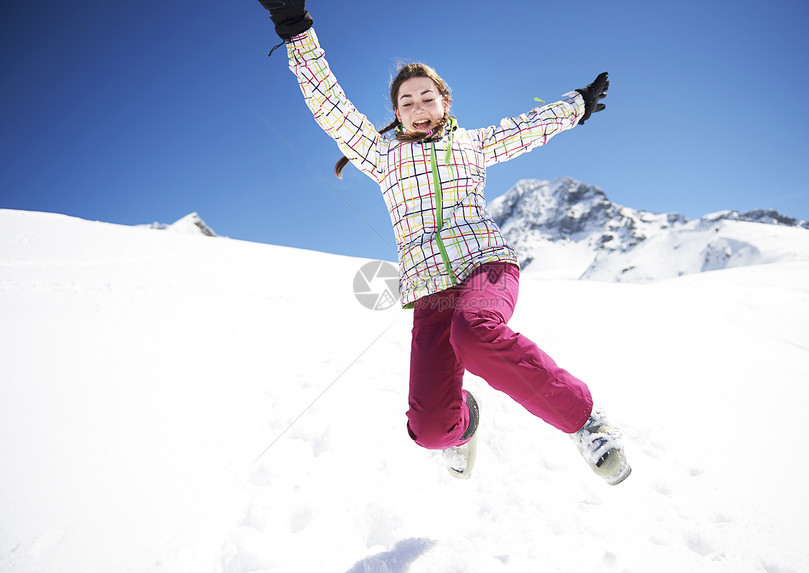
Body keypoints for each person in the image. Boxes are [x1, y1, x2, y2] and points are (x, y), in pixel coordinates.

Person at [257, 0, 631, 485]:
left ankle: (586, 421)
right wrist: (295, 31)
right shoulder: (380, 155)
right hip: (431, 291)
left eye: (427, 97)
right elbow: (330, 107)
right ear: (396, 112)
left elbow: (525, 130)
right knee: (431, 429)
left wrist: (576, 105)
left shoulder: (470, 145)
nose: (418, 107)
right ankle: (463, 422)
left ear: (445, 102)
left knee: (473, 331)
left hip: (486, 266)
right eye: (407, 102)